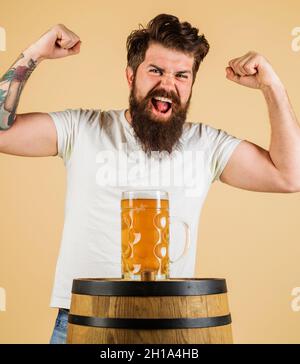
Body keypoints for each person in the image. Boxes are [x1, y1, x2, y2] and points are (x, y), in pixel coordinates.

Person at [0, 14, 300, 344]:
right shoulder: (82, 129)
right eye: (155, 70)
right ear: (131, 76)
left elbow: (290, 175)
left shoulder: (207, 145)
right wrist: (34, 53)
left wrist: (272, 86)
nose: (167, 84)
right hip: (85, 321)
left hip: (174, 323)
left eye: (181, 75)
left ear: (191, 85)